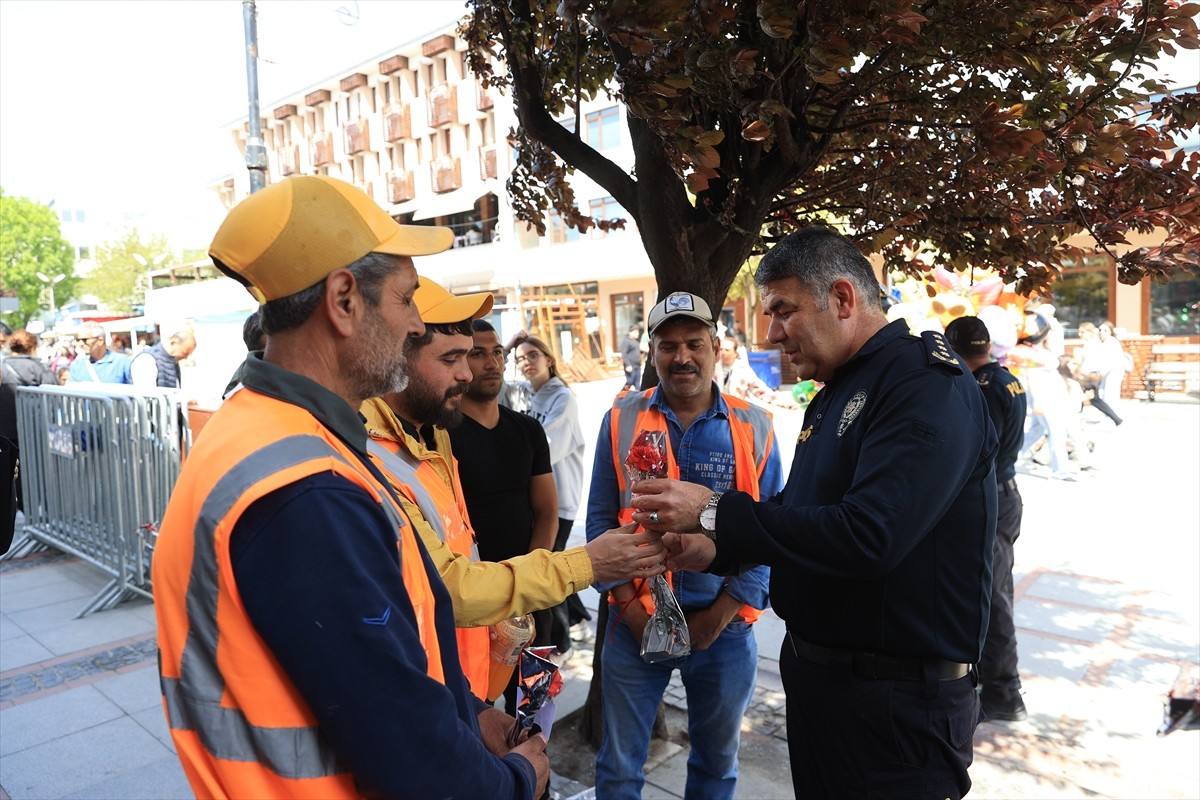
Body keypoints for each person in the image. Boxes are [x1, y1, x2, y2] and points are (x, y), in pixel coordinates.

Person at [151, 175, 548, 799]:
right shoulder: (305, 490)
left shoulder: (270, 430)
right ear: (343, 300)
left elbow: (369, 667)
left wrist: (466, 711)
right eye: (406, 298)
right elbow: (417, 763)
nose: (417, 324)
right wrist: (521, 779)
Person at [634, 227, 997, 800]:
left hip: (894, 708)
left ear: (844, 299)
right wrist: (716, 546)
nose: (771, 335)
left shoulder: (924, 385)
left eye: (782, 311)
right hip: (826, 687)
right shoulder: (840, 385)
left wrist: (715, 511)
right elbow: (797, 510)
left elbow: (869, 534)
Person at [360, 280, 663, 700]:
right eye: (454, 358)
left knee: (533, 717)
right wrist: (584, 565)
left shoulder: (435, 435)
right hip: (433, 677)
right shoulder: (369, 453)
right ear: (397, 353)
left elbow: (534, 516)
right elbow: (448, 586)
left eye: (483, 354)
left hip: (476, 661)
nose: (468, 373)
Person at [587, 291, 781, 800]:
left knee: (717, 767)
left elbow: (771, 532)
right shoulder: (620, 419)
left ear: (716, 347)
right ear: (652, 352)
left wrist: (718, 617)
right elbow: (599, 523)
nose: (682, 357)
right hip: (635, 625)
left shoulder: (755, 425)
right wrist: (628, 609)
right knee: (619, 769)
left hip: (724, 631)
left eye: (694, 343)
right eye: (668, 345)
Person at [450, 319, 560, 713]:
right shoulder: (440, 437)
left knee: (532, 709)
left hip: (530, 600)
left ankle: (537, 772)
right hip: (471, 602)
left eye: (497, 352)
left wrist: (530, 585)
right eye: (477, 353)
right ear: (458, 362)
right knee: (475, 709)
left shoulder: (528, 430)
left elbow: (547, 512)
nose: (492, 362)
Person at [946, 316, 1029, 722]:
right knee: (993, 592)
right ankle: (991, 683)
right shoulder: (1007, 379)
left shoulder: (982, 388)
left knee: (993, 599)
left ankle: (1003, 693)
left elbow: (979, 451)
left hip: (993, 499)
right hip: (1005, 494)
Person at [512, 332, 591, 650]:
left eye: (532, 355)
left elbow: (546, 447)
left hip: (560, 500)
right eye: (519, 359)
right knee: (549, 564)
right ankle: (578, 619)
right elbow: (484, 383)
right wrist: (504, 351)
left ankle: (559, 644)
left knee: (547, 571)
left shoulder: (563, 398)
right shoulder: (522, 394)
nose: (526, 362)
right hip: (536, 499)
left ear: (548, 359)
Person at [1012, 311, 1079, 481]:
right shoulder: (1032, 353)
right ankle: (1061, 470)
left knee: (1036, 431)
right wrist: (1038, 402)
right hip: (1044, 397)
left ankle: (1011, 457)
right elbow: (1032, 378)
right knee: (1056, 431)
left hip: (1050, 396)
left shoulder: (1041, 350)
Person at [0, 331, 57, 514]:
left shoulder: (2, 365)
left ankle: (20, 507)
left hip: (6, 431)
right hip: (34, 429)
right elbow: (54, 397)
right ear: (32, 346)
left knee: (15, 472)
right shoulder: (38, 368)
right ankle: (37, 511)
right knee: (38, 469)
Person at [714, 334, 801, 410]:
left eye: (727, 350)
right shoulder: (713, 369)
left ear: (735, 353)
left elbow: (760, 390)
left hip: (736, 412)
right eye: (721, 349)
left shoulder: (742, 370)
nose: (723, 353)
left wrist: (784, 403)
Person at [131, 328, 196, 388]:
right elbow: (146, 396)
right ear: (173, 343)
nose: (185, 357)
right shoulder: (146, 360)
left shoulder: (172, 362)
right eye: (184, 353)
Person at [67, 324, 132, 384]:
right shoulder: (77, 365)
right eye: (78, 340)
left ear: (100, 341)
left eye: (84, 339)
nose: (80, 343)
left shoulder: (122, 362)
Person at [621, 325, 643, 390]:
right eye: (635, 331)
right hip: (630, 366)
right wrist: (628, 365)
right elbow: (624, 354)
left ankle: (639, 398)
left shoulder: (636, 342)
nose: (638, 333)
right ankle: (622, 396)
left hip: (637, 366)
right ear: (630, 332)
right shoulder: (626, 341)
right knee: (629, 382)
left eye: (638, 332)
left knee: (637, 384)